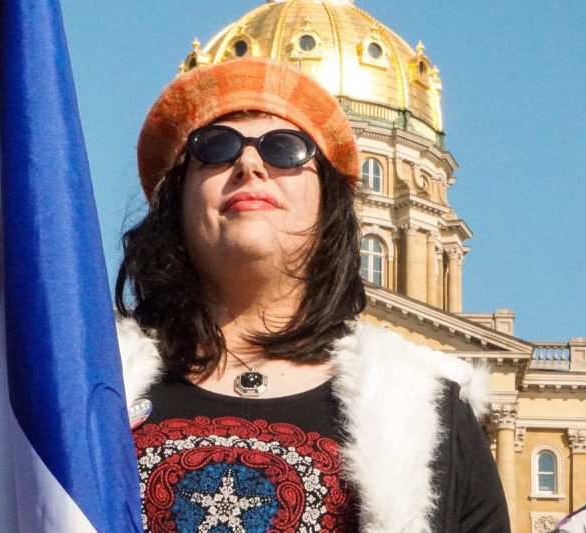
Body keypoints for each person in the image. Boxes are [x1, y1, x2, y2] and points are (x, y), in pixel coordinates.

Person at [115, 56, 510, 532]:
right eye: (215, 147)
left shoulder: (431, 414)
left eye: (285, 148)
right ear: (174, 201)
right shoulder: (93, 386)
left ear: (330, 209)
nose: (248, 164)